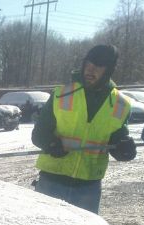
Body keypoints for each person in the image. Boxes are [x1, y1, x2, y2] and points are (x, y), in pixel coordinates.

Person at [31, 44, 137, 213]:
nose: (90, 70)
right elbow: (38, 134)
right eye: (87, 64)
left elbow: (116, 141)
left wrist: (125, 149)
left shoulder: (121, 104)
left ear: (109, 70)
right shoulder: (62, 94)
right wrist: (51, 144)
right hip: (52, 182)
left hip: (88, 189)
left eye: (98, 66)